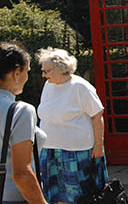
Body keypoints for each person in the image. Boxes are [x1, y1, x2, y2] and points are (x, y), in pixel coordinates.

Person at [36, 48, 106, 204]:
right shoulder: (49, 85)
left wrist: (99, 144)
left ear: (60, 68)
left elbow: (97, 116)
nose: (43, 75)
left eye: (46, 71)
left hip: (76, 152)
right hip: (50, 151)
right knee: (54, 196)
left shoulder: (80, 86)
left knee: (78, 196)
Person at [0, 43, 47, 204]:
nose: (27, 77)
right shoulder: (20, 111)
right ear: (16, 73)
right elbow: (21, 174)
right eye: (26, 72)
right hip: (15, 197)